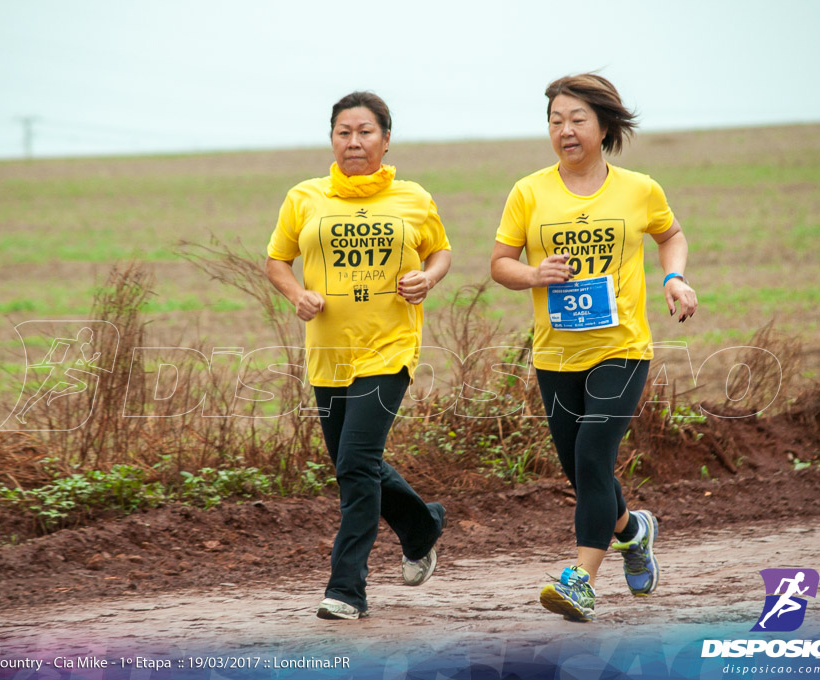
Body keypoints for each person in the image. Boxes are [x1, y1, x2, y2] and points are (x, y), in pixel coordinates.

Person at [490, 73, 698, 622]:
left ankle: (580, 580)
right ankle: (634, 531)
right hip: (555, 354)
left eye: (577, 119)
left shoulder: (638, 188)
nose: (565, 130)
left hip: (622, 348)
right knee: (584, 474)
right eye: (556, 120)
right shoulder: (529, 191)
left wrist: (673, 277)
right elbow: (499, 265)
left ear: (605, 125)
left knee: (591, 456)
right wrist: (535, 273)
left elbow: (670, 233)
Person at [265, 91, 450, 620]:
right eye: (344, 132)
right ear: (331, 138)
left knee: (355, 463)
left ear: (386, 140)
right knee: (354, 463)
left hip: (389, 349)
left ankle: (347, 587)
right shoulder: (305, 197)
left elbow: (441, 251)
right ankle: (421, 525)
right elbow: (277, 261)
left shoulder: (414, 198)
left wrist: (427, 277)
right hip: (328, 352)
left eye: (366, 131)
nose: (354, 142)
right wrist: (298, 294)